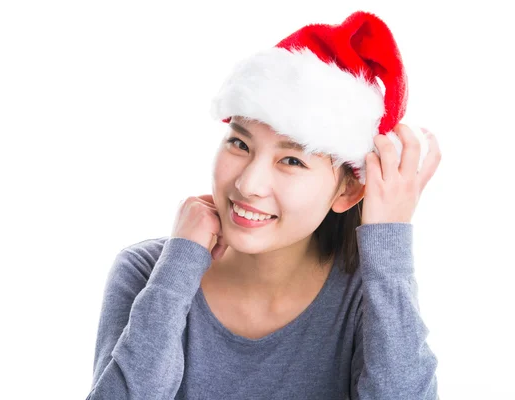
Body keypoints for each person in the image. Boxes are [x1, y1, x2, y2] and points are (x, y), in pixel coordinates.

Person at [86, 10, 441, 400]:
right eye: (239, 143)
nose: (248, 183)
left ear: (349, 192)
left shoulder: (366, 296)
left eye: (291, 161)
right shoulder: (148, 272)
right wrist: (179, 267)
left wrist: (389, 242)